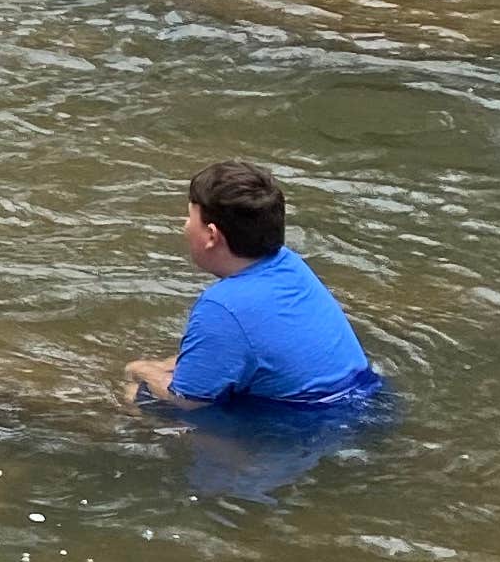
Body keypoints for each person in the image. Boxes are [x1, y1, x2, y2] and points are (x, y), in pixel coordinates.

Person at [124, 160, 385, 413]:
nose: (185, 226)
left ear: (211, 236)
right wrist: (167, 366)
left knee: (137, 394)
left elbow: (187, 401)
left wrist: (141, 370)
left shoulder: (222, 308)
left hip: (311, 422)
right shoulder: (289, 264)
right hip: (364, 397)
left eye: (189, 217)